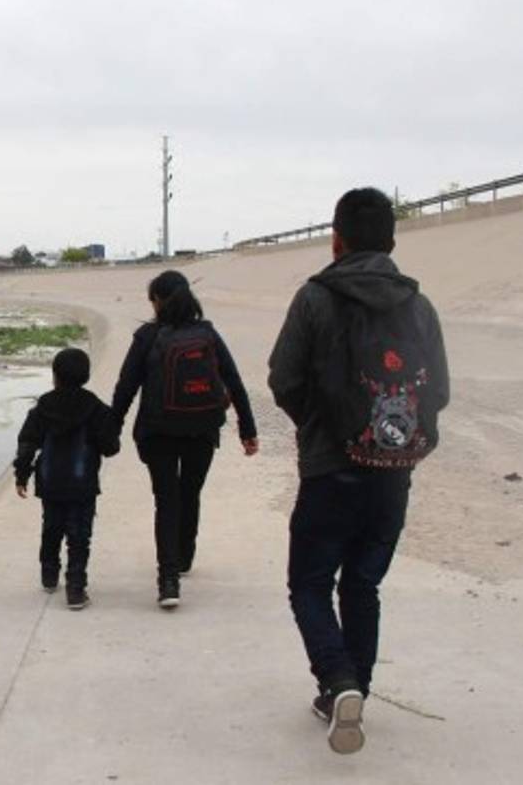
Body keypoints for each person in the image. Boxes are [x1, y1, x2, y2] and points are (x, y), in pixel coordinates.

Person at [269, 187, 449, 755]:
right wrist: (392, 434)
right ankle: (354, 692)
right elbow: (439, 393)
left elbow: (283, 379)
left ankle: (338, 681)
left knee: (309, 583)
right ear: (392, 242)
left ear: (336, 240)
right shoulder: (419, 306)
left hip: (329, 469)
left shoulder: (315, 298)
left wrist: (322, 427)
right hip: (393, 471)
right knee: (363, 584)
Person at [111, 270, 259, 608]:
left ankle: (169, 581)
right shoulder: (207, 333)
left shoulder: (147, 337)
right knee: (190, 492)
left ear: (158, 301)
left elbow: (126, 386)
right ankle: (184, 556)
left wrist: (111, 429)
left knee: (166, 499)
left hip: (157, 431)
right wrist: (248, 430)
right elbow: (234, 381)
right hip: (202, 429)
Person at [14, 347, 120, 610]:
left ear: (55, 376)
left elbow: (27, 442)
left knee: (51, 527)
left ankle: (49, 574)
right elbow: (111, 447)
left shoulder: (43, 407)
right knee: (79, 535)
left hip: (50, 481)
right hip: (82, 483)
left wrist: (22, 474)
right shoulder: (96, 408)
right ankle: (75, 589)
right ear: (86, 375)